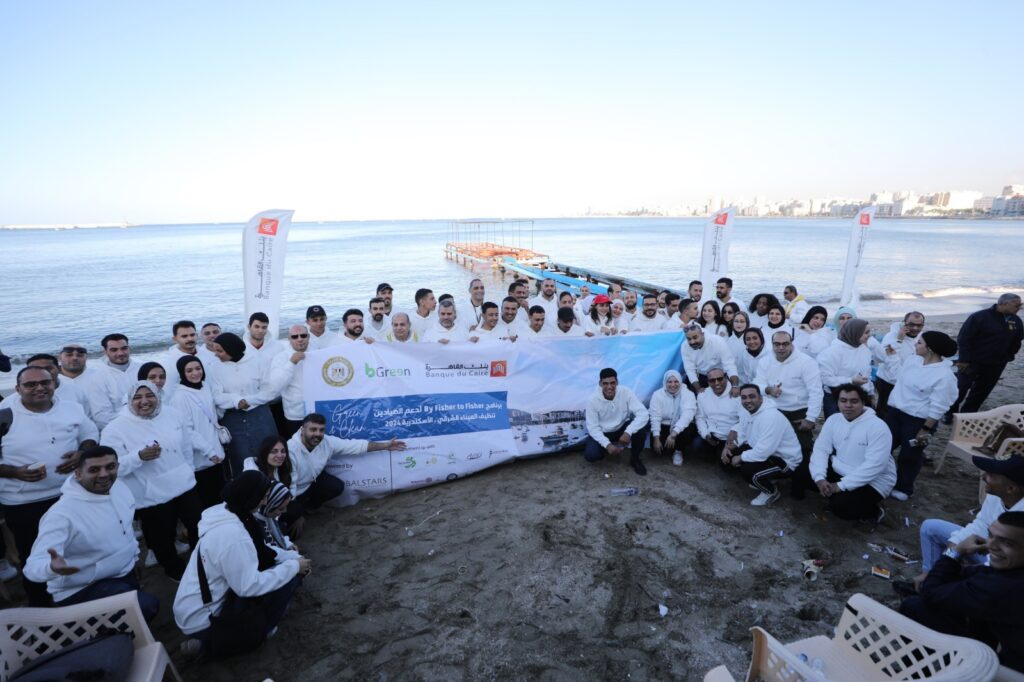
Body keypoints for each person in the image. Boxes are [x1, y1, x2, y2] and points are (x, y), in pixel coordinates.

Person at [173, 471, 310, 660]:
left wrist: (292, 557)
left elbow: (259, 549)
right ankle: (246, 634)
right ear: (250, 497)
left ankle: (209, 640)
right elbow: (249, 586)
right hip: (202, 617)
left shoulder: (228, 512)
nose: (264, 502)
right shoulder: (233, 536)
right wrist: (293, 567)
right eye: (263, 497)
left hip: (195, 604)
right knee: (289, 579)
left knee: (284, 567)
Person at [24, 445, 159, 620]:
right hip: (82, 589)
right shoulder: (61, 515)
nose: (104, 474)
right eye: (94, 469)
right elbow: (32, 567)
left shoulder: (120, 489)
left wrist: (132, 558)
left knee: (140, 614)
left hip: (120, 575)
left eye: (110, 467)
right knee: (146, 607)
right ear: (78, 474)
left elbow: (125, 530)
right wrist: (51, 568)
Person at [0, 367, 99, 604]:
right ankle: (42, 605)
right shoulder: (4, 416)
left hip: (69, 495)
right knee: (34, 554)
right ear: (17, 389)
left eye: (45, 382)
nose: (40, 388)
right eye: (30, 384)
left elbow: (90, 432)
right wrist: (14, 472)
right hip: (24, 502)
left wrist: (82, 453)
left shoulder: (71, 408)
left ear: (54, 384)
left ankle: (81, 595)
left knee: (77, 547)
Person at [899, 511, 1024, 673]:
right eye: (991, 536)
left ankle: (910, 673)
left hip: (1010, 673)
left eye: (1007, 543)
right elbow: (967, 576)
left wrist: (956, 552)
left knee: (916, 607)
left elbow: (930, 593)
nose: (991, 546)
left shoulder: (1004, 587)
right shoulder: (1011, 573)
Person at [101, 381, 200, 580]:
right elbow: (112, 468)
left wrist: (188, 469)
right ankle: (174, 570)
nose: (144, 401)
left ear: (158, 396)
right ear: (129, 400)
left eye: (150, 395)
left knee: (197, 525)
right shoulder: (115, 429)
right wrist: (138, 457)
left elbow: (186, 446)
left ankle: (203, 561)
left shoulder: (172, 414)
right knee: (162, 537)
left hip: (184, 484)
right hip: (151, 495)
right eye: (137, 397)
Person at [906, 454, 1024, 598]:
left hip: (1005, 570)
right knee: (930, 528)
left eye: (991, 475)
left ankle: (940, 589)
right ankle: (928, 579)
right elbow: (981, 524)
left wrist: (956, 562)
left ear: (1010, 488)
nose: (983, 477)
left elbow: (1008, 566)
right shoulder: (997, 495)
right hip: (991, 549)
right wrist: (954, 550)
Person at [284, 414, 406, 536]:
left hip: (311, 482)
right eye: (313, 429)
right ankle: (298, 513)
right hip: (293, 493)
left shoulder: (327, 442)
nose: (317, 434)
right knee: (292, 525)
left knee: (336, 486)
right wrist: (297, 515)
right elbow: (290, 486)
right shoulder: (291, 450)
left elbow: (355, 446)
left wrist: (386, 445)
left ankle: (309, 508)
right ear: (302, 430)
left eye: (321, 430)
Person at [887, 331, 959, 501]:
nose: (915, 344)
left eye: (919, 343)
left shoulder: (945, 375)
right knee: (883, 446)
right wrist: (892, 356)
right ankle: (880, 478)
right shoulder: (913, 360)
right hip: (895, 413)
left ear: (930, 349)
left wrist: (926, 428)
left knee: (909, 455)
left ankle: (904, 487)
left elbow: (940, 405)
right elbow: (897, 376)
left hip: (917, 420)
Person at [809, 384, 894, 522]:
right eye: (843, 400)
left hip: (874, 480)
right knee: (803, 471)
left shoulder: (878, 427)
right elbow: (821, 449)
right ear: (837, 402)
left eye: (854, 401)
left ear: (863, 402)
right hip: (841, 467)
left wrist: (841, 486)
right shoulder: (833, 420)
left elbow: (875, 465)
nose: (848, 405)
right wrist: (819, 478)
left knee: (841, 507)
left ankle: (876, 510)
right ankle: (836, 494)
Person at [755, 330, 822, 495]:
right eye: (777, 344)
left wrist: (810, 418)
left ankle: (800, 484)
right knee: (772, 445)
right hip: (774, 410)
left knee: (803, 448)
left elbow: (816, 392)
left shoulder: (806, 362)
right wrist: (768, 390)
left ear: (791, 343)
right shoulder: (765, 361)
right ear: (772, 345)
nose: (781, 348)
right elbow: (757, 383)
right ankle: (775, 476)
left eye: (785, 344)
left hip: (798, 411)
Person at [207, 332, 278, 477]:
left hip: (260, 415)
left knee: (268, 453)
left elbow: (270, 391)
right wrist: (236, 401)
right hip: (233, 418)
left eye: (220, 351)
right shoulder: (214, 367)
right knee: (240, 457)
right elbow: (216, 396)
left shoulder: (258, 360)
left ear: (232, 349)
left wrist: (249, 401)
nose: (216, 354)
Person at [722, 385, 803, 506]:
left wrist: (740, 457)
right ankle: (766, 478)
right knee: (731, 454)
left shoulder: (771, 416)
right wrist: (730, 446)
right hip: (767, 452)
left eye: (752, 396)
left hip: (785, 460)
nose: (748, 400)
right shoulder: (748, 411)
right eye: (744, 397)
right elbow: (743, 431)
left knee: (748, 471)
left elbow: (763, 452)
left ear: (760, 398)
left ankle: (771, 492)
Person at [947, 293, 1023, 418]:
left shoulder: (1016, 321)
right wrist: (964, 359)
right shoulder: (979, 317)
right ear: (1004, 303)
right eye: (1017, 305)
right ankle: (950, 412)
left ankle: (967, 416)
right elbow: (964, 339)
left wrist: (1008, 357)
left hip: (996, 364)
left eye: (1021, 305)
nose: (1020, 308)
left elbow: (1017, 341)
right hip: (971, 362)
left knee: (981, 392)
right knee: (961, 387)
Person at [170, 356, 225, 509]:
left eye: (198, 368)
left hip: (216, 452)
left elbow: (213, 413)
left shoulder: (205, 386)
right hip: (201, 458)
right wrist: (209, 451)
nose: (195, 373)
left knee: (220, 494)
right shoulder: (179, 397)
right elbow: (187, 431)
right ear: (182, 373)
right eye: (189, 370)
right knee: (207, 499)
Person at [583, 368, 650, 475]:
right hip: (603, 432)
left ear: (617, 382)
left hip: (621, 428)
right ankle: (606, 448)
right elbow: (593, 428)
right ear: (600, 383)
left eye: (612, 383)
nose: (609, 387)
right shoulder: (592, 400)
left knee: (640, 430)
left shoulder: (625, 392)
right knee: (591, 455)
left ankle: (635, 459)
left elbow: (643, 414)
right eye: (605, 383)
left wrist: (628, 432)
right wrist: (607, 444)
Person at [817, 317, 874, 418]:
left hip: (859, 396)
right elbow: (826, 379)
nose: (869, 335)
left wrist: (870, 392)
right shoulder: (830, 353)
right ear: (855, 333)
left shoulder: (864, 350)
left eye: (869, 332)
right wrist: (851, 381)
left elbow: (866, 375)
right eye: (866, 332)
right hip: (835, 398)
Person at [874, 312, 926, 419]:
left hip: (909, 381)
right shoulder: (891, 336)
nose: (915, 328)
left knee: (901, 410)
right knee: (884, 410)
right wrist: (899, 340)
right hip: (888, 381)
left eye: (919, 325)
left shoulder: (921, 337)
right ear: (904, 323)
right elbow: (886, 357)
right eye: (911, 324)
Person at [266, 325, 309, 440]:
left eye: (303, 335)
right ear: (289, 339)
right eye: (295, 337)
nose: (300, 339)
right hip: (295, 413)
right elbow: (276, 386)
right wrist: (291, 363)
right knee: (297, 445)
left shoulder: (318, 352)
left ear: (308, 337)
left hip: (318, 409)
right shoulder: (280, 357)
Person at [92, 333, 142, 430]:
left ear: (129, 348)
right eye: (114, 350)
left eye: (124, 348)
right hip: (120, 429)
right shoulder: (98, 378)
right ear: (105, 352)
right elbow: (101, 416)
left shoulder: (143, 368)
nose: (120, 353)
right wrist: (133, 424)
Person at [648, 370, 696, 466]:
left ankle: (678, 451)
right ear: (665, 382)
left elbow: (687, 416)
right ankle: (668, 445)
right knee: (657, 451)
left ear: (680, 382)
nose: (673, 385)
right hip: (664, 426)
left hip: (680, 428)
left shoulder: (688, 394)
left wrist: (674, 434)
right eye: (669, 382)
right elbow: (655, 417)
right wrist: (656, 438)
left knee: (690, 428)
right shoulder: (657, 395)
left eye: (676, 381)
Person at [693, 367, 740, 461]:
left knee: (726, 463)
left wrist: (733, 435)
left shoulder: (737, 395)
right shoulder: (703, 395)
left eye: (720, 379)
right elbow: (700, 418)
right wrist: (706, 435)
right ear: (708, 382)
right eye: (712, 380)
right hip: (713, 436)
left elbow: (744, 420)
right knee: (696, 445)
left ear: (726, 378)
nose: (717, 383)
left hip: (732, 437)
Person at [682, 323, 739, 394]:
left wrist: (735, 386)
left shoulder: (718, 341)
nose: (692, 342)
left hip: (721, 376)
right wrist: (698, 389)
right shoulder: (684, 346)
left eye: (695, 337)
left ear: (702, 334)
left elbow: (729, 365)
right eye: (689, 339)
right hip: (702, 377)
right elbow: (690, 369)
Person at [161, 321, 200, 387]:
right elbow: (169, 387)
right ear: (175, 339)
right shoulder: (169, 362)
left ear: (197, 335)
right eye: (184, 336)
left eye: (192, 335)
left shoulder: (205, 353)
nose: (190, 339)